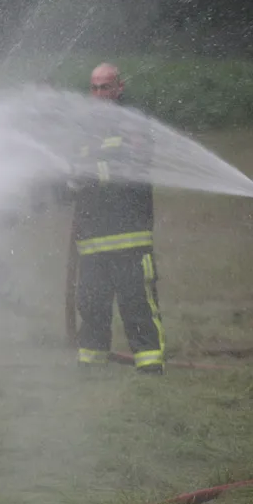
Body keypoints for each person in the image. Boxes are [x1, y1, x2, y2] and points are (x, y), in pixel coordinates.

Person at [66, 63, 166, 375]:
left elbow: (133, 166)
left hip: (129, 234)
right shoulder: (85, 128)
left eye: (105, 87)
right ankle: (91, 364)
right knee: (91, 304)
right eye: (94, 88)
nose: (99, 94)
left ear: (119, 87)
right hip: (92, 238)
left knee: (136, 303)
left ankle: (149, 365)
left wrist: (89, 173)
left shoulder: (133, 123)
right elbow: (73, 171)